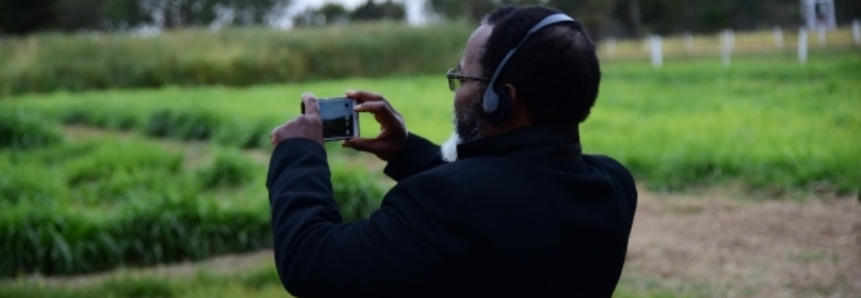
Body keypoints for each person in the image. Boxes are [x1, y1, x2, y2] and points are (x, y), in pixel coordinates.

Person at [267, 5, 637, 298]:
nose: (457, 93)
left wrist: (299, 154)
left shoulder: (451, 203)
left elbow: (310, 261)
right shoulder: (614, 186)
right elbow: (500, 203)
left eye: (462, 79)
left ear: (500, 100)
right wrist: (407, 152)